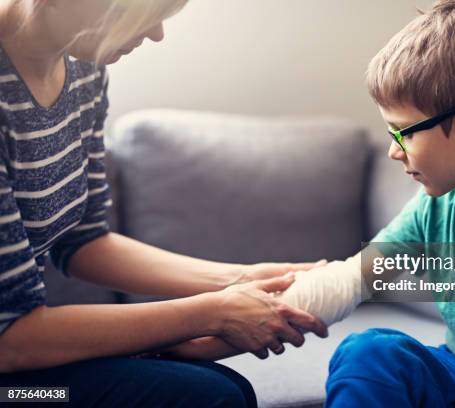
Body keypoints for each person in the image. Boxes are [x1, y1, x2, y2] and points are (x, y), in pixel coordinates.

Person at [192, 0, 455, 406]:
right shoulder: (436, 206)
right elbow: (347, 281)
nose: (394, 151)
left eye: (403, 133)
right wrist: (183, 348)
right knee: (370, 352)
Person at [0, 1, 328, 406]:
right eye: (145, 11)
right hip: (17, 382)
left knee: (212, 387)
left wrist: (239, 279)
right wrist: (212, 312)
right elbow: (12, 338)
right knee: (209, 396)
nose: (157, 33)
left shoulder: (84, 72)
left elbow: (82, 240)